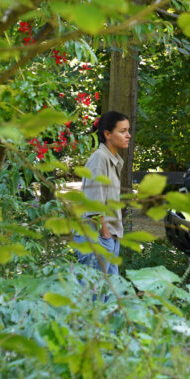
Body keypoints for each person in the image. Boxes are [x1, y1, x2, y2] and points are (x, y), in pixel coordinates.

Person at [74, 110, 131, 275]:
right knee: (96, 297)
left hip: (107, 237)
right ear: (107, 134)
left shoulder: (112, 160)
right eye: (122, 131)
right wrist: (106, 237)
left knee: (108, 296)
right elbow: (94, 206)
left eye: (128, 130)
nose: (128, 135)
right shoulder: (99, 159)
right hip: (97, 238)